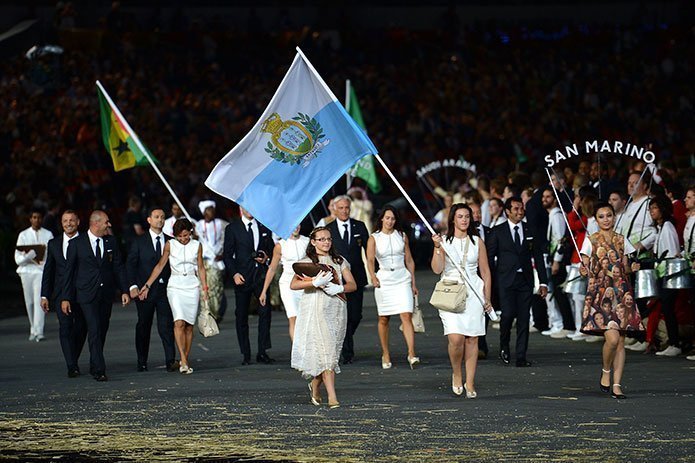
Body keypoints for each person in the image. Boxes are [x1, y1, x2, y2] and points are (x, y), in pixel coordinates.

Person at [578, 202, 642, 399]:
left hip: (622, 292)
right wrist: (583, 270)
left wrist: (634, 267)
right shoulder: (590, 240)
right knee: (612, 339)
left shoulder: (623, 240)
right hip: (600, 293)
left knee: (621, 341)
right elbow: (585, 266)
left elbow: (626, 266)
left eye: (609, 215)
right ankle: (606, 370)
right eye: (601, 216)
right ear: (596, 219)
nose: (606, 219)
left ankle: (617, 384)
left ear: (614, 217)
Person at [290, 226, 357, 409]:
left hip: (336, 309)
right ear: (313, 242)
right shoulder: (307, 262)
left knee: (331, 354)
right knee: (326, 353)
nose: (326, 242)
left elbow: (352, 284)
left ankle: (315, 385)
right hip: (316, 308)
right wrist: (313, 282)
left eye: (328, 239)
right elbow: (293, 284)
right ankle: (333, 397)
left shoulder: (338, 260)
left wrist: (340, 288)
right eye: (321, 239)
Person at [431, 204, 493, 397]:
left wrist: (487, 297)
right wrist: (437, 248)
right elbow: (437, 269)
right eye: (460, 216)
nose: (464, 220)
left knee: (472, 338)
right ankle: (457, 373)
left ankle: (471, 382)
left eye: (467, 216)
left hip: (474, 291)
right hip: (451, 291)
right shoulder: (444, 242)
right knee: (456, 338)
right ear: (453, 220)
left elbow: (485, 272)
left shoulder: (477, 241)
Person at [61, 211, 130, 382]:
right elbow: (68, 273)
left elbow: (118, 267)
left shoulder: (111, 241)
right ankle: (99, 369)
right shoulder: (77, 244)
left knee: (101, 329)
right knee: (94, 328)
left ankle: (94, 363)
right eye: (107, 222)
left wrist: (124, 290)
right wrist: (65, 297)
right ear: (96, 223)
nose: (109, 225)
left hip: (105, 294)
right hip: (85, 294)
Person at [139, 218, 206, 375]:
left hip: (192, 284)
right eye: (179, 236)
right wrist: (147, 284)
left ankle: (184, 360)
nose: (182, 239)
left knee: (189, 325)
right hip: (175, 285)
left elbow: (201, 267)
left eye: (185, 235)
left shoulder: (197, 245)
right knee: (179, 322)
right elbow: (160, 265)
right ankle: (182, 357)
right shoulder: (170, 244)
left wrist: (205, 288)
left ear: (190, 232)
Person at [486, 197, 548, 367]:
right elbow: (490, 260)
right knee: (506, 315)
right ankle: (504, 346)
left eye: (521, 209)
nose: (520, 212)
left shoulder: (530, 230)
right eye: (516, 209)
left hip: (525, 281)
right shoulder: (497, 231)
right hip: (505, 281)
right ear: (507, 211)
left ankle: (521, 356)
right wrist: (488, 282)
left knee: (523, 318)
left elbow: (538, 257)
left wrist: (543, 282)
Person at [366, 206, 419, 370]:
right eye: (387, 218)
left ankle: (411, 353)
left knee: (406, 315)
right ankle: (386, 353)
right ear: (382, 219)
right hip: (384, 279)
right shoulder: (374, 238)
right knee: (384, 318)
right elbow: (369, 260)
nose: (390, 221)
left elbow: (409, 260)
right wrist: (373, 277)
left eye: (393, 218)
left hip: (402, 277)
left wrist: (413, 282)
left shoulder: (401, 236)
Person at [126, 207, 178, 372]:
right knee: (143, 326)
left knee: (166, 326)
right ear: (149, 220)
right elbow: (131, 265)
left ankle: (170, 360)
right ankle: (142, 360)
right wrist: (133, 287)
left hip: (166, 291)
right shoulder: (139, 242)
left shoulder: (172, 241)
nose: (160, 220)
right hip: (144, 292)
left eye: (163, 217)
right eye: (156, 217)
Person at [224, 207, 276, 365]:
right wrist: (234, 274)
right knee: (241, 316)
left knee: (265, 312)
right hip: (242, 278)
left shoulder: (263, 226)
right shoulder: (232, 228)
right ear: (240, 208)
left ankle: (262, 351)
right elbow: (227, 254)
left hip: (260, 277)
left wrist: (266, 258)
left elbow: (273, 251)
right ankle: (245, 354)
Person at [40, 210, 86, 377]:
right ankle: (71, 365)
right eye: (65, 221)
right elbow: (48, 271)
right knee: (65, 327)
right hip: (60, 294)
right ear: (61, 223)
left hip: (82, 293)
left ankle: (73, 357)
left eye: (72, 220)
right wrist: (44, 295)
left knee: (81, 327)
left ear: (78, 222)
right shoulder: (53, 244)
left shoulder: (85, 241)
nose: (68, 224)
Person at [327, 195, 369, 364]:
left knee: (355, 316)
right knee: (340, 316)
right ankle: (347, 352)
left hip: (357, 277)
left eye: (347, 208)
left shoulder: (359, 226)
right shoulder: (328, 229)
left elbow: (369, 250)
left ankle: (344, 338)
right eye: (341, 208)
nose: (344, 211)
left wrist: (375, 271)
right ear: (335, 209)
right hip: (337, 279)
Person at [259, 225, 310, 342]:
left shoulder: (307, 241)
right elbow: (272, 268)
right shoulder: (280, 245)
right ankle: (297, 351)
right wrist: (264, 292)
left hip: (305, 283)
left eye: (298, 224)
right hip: (288, 285)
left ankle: (307, 348)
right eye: (293, 225)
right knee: (293, 317)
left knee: (307, 318)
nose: (296, 227)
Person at [648, 195, 682, 357]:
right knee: (666, 308)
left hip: (668, 274)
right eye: (650, 208)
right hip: (663, 273)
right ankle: (672, 341)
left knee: (669, 308)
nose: (651, 211)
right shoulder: (661, 227)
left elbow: (670, 253)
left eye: (654, 208)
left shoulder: (667, 227)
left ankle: (675, 343)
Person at [15, 208, 54, 342]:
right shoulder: (23, 235)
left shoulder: (48, 234)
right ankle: (33, 327)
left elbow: (50, 254)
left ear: (42, 219)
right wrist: (29, 256)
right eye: (34, 217)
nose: (36, 220)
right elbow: (18, 258)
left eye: (39, 217)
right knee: (30, 302)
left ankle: (39, 331)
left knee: (39, 300)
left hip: (41, 271)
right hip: (26, 271)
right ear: (30, 219)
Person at [540, 187, 574, 338]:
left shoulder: (557, 216)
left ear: (555, 199)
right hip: (554, 259)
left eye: (548, 196)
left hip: (558, 261)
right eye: (543, 197)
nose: (544, 199)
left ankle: (568, 325)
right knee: (556, 294)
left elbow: (561, 240)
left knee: (560, 294)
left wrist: (556, 261)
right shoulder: (552, 215)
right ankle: (562, 324)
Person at [195, 200, 227, 321]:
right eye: (208, 209)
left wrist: (223, 253)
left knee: (216, 288)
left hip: (215, 262)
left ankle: (215, 312)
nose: (211, 211)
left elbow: (228, 237)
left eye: (212, 209)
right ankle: (206, 312)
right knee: (203, 288)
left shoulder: (221, 223)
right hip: (202, 261)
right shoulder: (198, 225)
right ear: (204, 212)